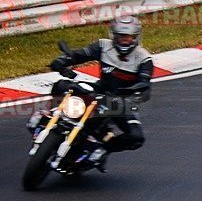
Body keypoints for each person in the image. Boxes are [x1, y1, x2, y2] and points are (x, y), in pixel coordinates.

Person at [49, 16, 153, 168]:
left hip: (122, 101)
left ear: (136, 37)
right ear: (114, 36)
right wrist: (63, 61)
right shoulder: (103, 46)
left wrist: (136, 89)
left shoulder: (144, 58)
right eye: (121, 36)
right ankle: (54, 115)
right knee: (61, 85)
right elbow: (80, 54)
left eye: (129, 37)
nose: (125, 40)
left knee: (136, 137)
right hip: (100, 89)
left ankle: (103, 148)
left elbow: (145, 81)